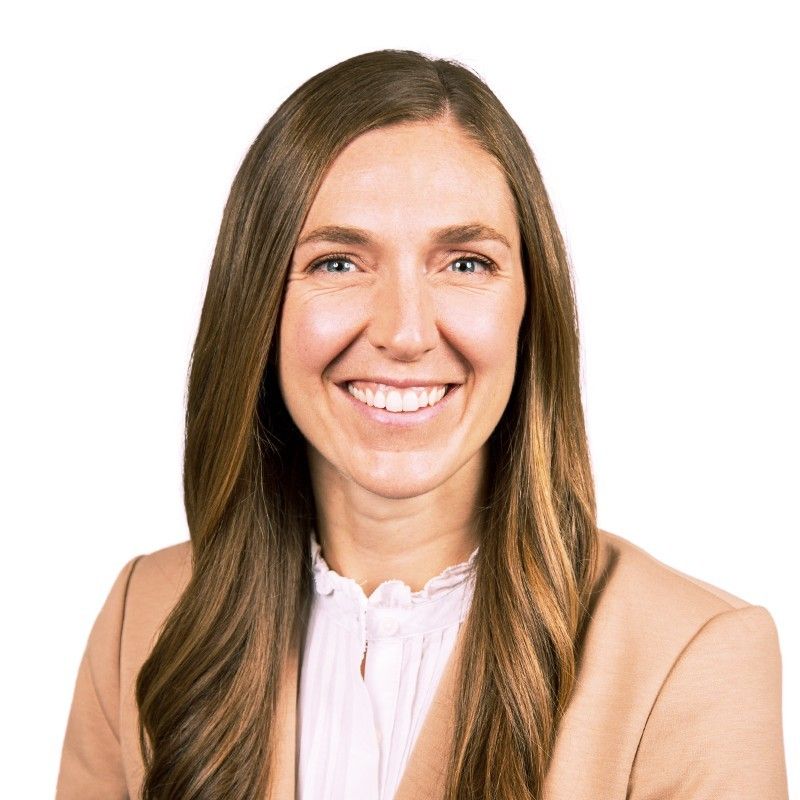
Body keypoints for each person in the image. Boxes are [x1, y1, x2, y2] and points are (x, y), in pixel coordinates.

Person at [56, 49, 789, 800]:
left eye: (464, 263)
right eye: (339, 263)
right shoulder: (142, 619)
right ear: (258, 308)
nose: (405, 333)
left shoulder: (692, 658)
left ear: (528, 309)